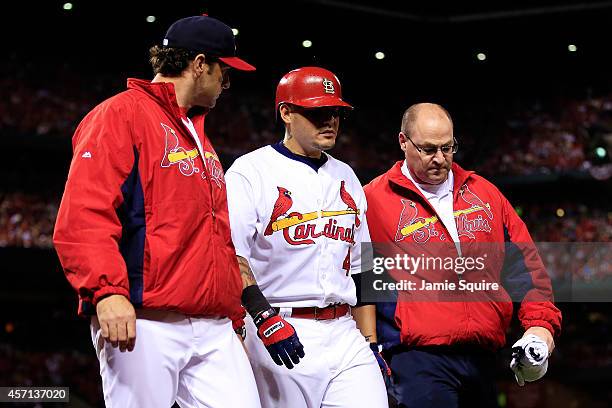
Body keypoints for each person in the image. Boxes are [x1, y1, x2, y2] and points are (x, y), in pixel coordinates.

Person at [53, 15, 263, 408]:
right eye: (224, 70)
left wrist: (231, 313)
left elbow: (213, 236)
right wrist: (106, 291)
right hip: (145, 316)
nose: (227, 82)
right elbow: (85, 214)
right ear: (199, 64)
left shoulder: (198, 133)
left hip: (212, 323)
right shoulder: (120, 114)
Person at [363, 103, 562, 408]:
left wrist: (540, 328)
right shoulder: (372, 200)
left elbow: (525, 266)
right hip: (417, 359)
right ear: (403, 142)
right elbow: (355, 276)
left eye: (447, 147)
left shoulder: (486, 194)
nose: (440, 159)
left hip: (482, 357)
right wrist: (368, 344)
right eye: (428, 149)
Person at [225, 66, 389, 408]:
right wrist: (263, 318)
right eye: (318, 112)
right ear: (286, 113)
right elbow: (230, 255)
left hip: (345, 333)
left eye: (336, 113)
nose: (330, 121)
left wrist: (371, 341)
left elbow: (364, 270)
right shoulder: (250, 172)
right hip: (278, 329)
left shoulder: (346, 175)